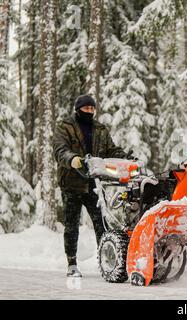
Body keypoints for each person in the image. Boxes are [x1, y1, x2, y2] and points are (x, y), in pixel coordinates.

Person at [52, 94, 128, 277]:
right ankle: (72, 263)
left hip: (93, 183)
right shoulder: (65, 127)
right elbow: (60, 150)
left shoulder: (100, 129)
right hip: (72, 183)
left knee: (101, 222)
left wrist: (125, 157)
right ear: (78, 109)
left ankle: (108, 259)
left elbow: (111, 149)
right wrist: (73, 160)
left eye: (92, 109)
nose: (90, 112)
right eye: (86, 109)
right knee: (71, 225)